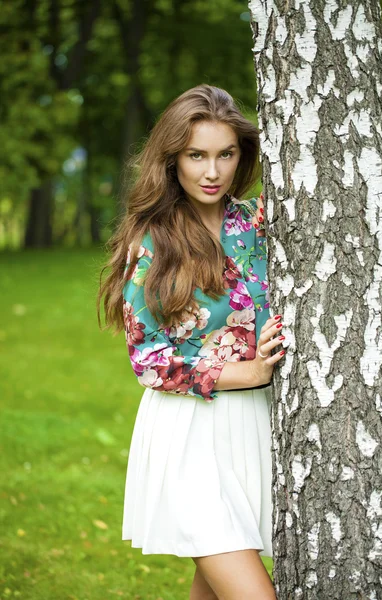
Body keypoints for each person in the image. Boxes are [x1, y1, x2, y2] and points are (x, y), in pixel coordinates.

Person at [97, 84, 285, 600]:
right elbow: (147, 358)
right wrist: (242, 372)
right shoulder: (155, 240)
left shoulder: (258, 224)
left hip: (250, 429)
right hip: (189, 435)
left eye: (226, 154)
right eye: (196, 155)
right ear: (172, 159)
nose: (212, 172)